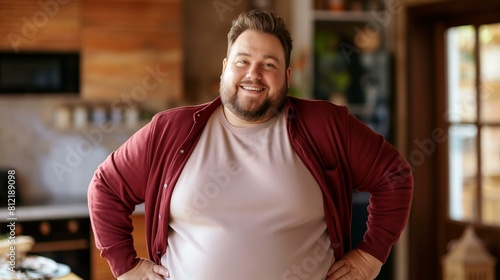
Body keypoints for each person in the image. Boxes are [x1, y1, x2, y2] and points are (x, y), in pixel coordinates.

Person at [88, 9, 413, 280]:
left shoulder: (326, 126)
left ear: (286, 76)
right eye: (242, 61)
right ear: (225, 68)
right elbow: (105, 187)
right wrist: (126, 266)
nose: (253, 74)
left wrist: (371, 254)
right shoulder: (170, 130)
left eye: (268, 64)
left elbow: (394, 176)